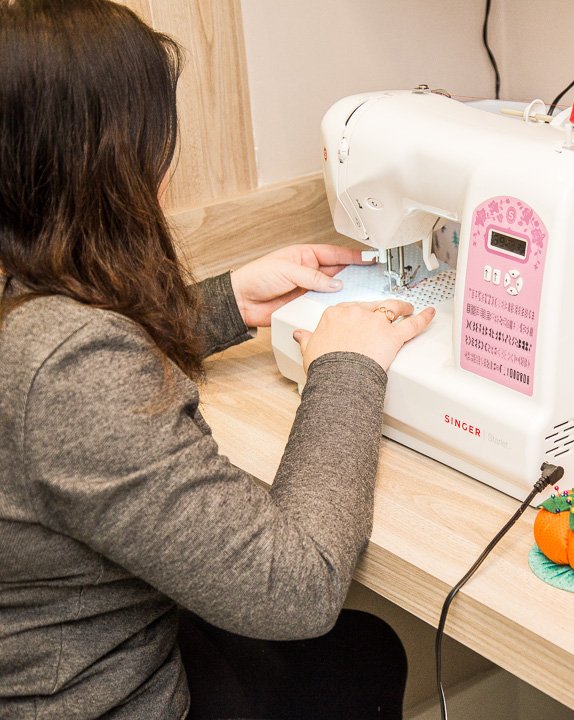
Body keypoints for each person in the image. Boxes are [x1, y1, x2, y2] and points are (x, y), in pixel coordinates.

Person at [0, 1, 434, 717]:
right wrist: (346, 366)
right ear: (115, 156)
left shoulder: (28, 313)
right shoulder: (74, 371)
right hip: (100, 699)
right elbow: (298, 586)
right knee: (355, 657)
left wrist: (226, 300)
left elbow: (43, 376)